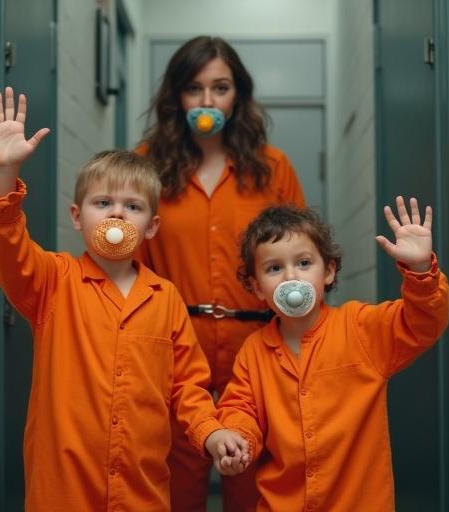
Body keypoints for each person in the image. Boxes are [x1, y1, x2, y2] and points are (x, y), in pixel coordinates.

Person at [0, 87, 250, 512]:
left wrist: (211, 432)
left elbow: (188, 388)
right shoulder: (53, 280)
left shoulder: (166, 299)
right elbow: (5, 249)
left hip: (142, 490)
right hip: (64, 490)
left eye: (132, 206)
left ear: (153, 225)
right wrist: (6, 172)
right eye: (102, 203)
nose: (117, 215)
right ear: (77, 216)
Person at [135, 35, 305, 510]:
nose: (207, 101)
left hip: (260, 351)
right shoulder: (146, 166)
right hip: (174, 352)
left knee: (255, 484)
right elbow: (131, 266)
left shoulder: (274, 168)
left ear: (239, 96)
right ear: (177, 97)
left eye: (221, 87)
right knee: (175, 485)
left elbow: (298, 261)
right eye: (194, 88)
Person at [216, 201, 449, 511]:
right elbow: (240, 407)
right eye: (274, 268)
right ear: (257, 287)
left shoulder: (361, 328)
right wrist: (237, 438)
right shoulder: (253, 351)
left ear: (328, 271)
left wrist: (420, 270)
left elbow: (422, 323)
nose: (290, 277)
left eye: (303, 263)